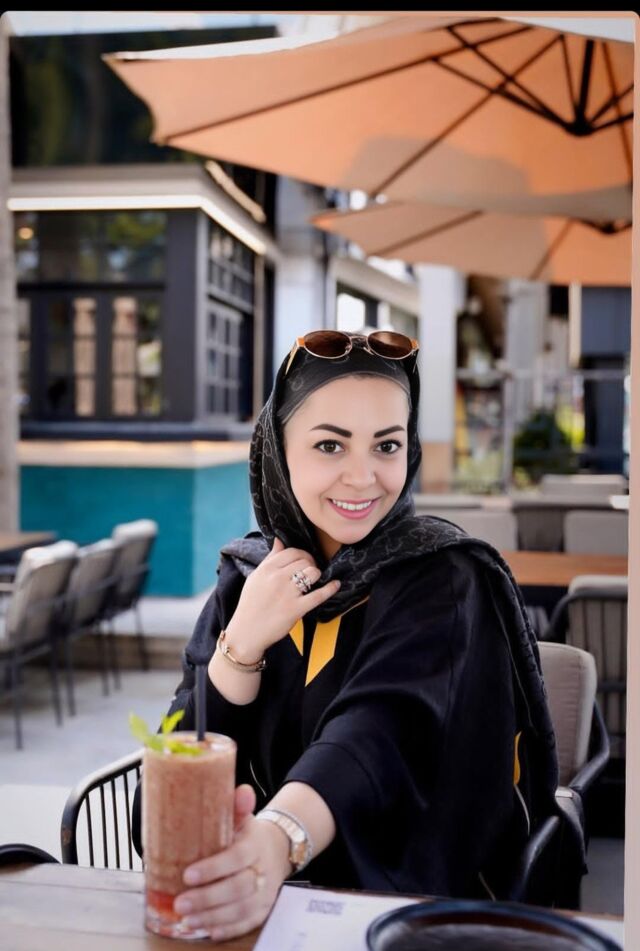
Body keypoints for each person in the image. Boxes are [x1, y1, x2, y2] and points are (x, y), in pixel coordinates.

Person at [134, 329, 558, 943]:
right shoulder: (247, 579)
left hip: (408, 914)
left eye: (387, 445)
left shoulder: (444, 577)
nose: (363, 478)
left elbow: (376, 733)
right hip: (251, 915)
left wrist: (277, 839)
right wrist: (241, 648)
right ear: (278, 448)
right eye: (330, 445)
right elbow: (162, 801)